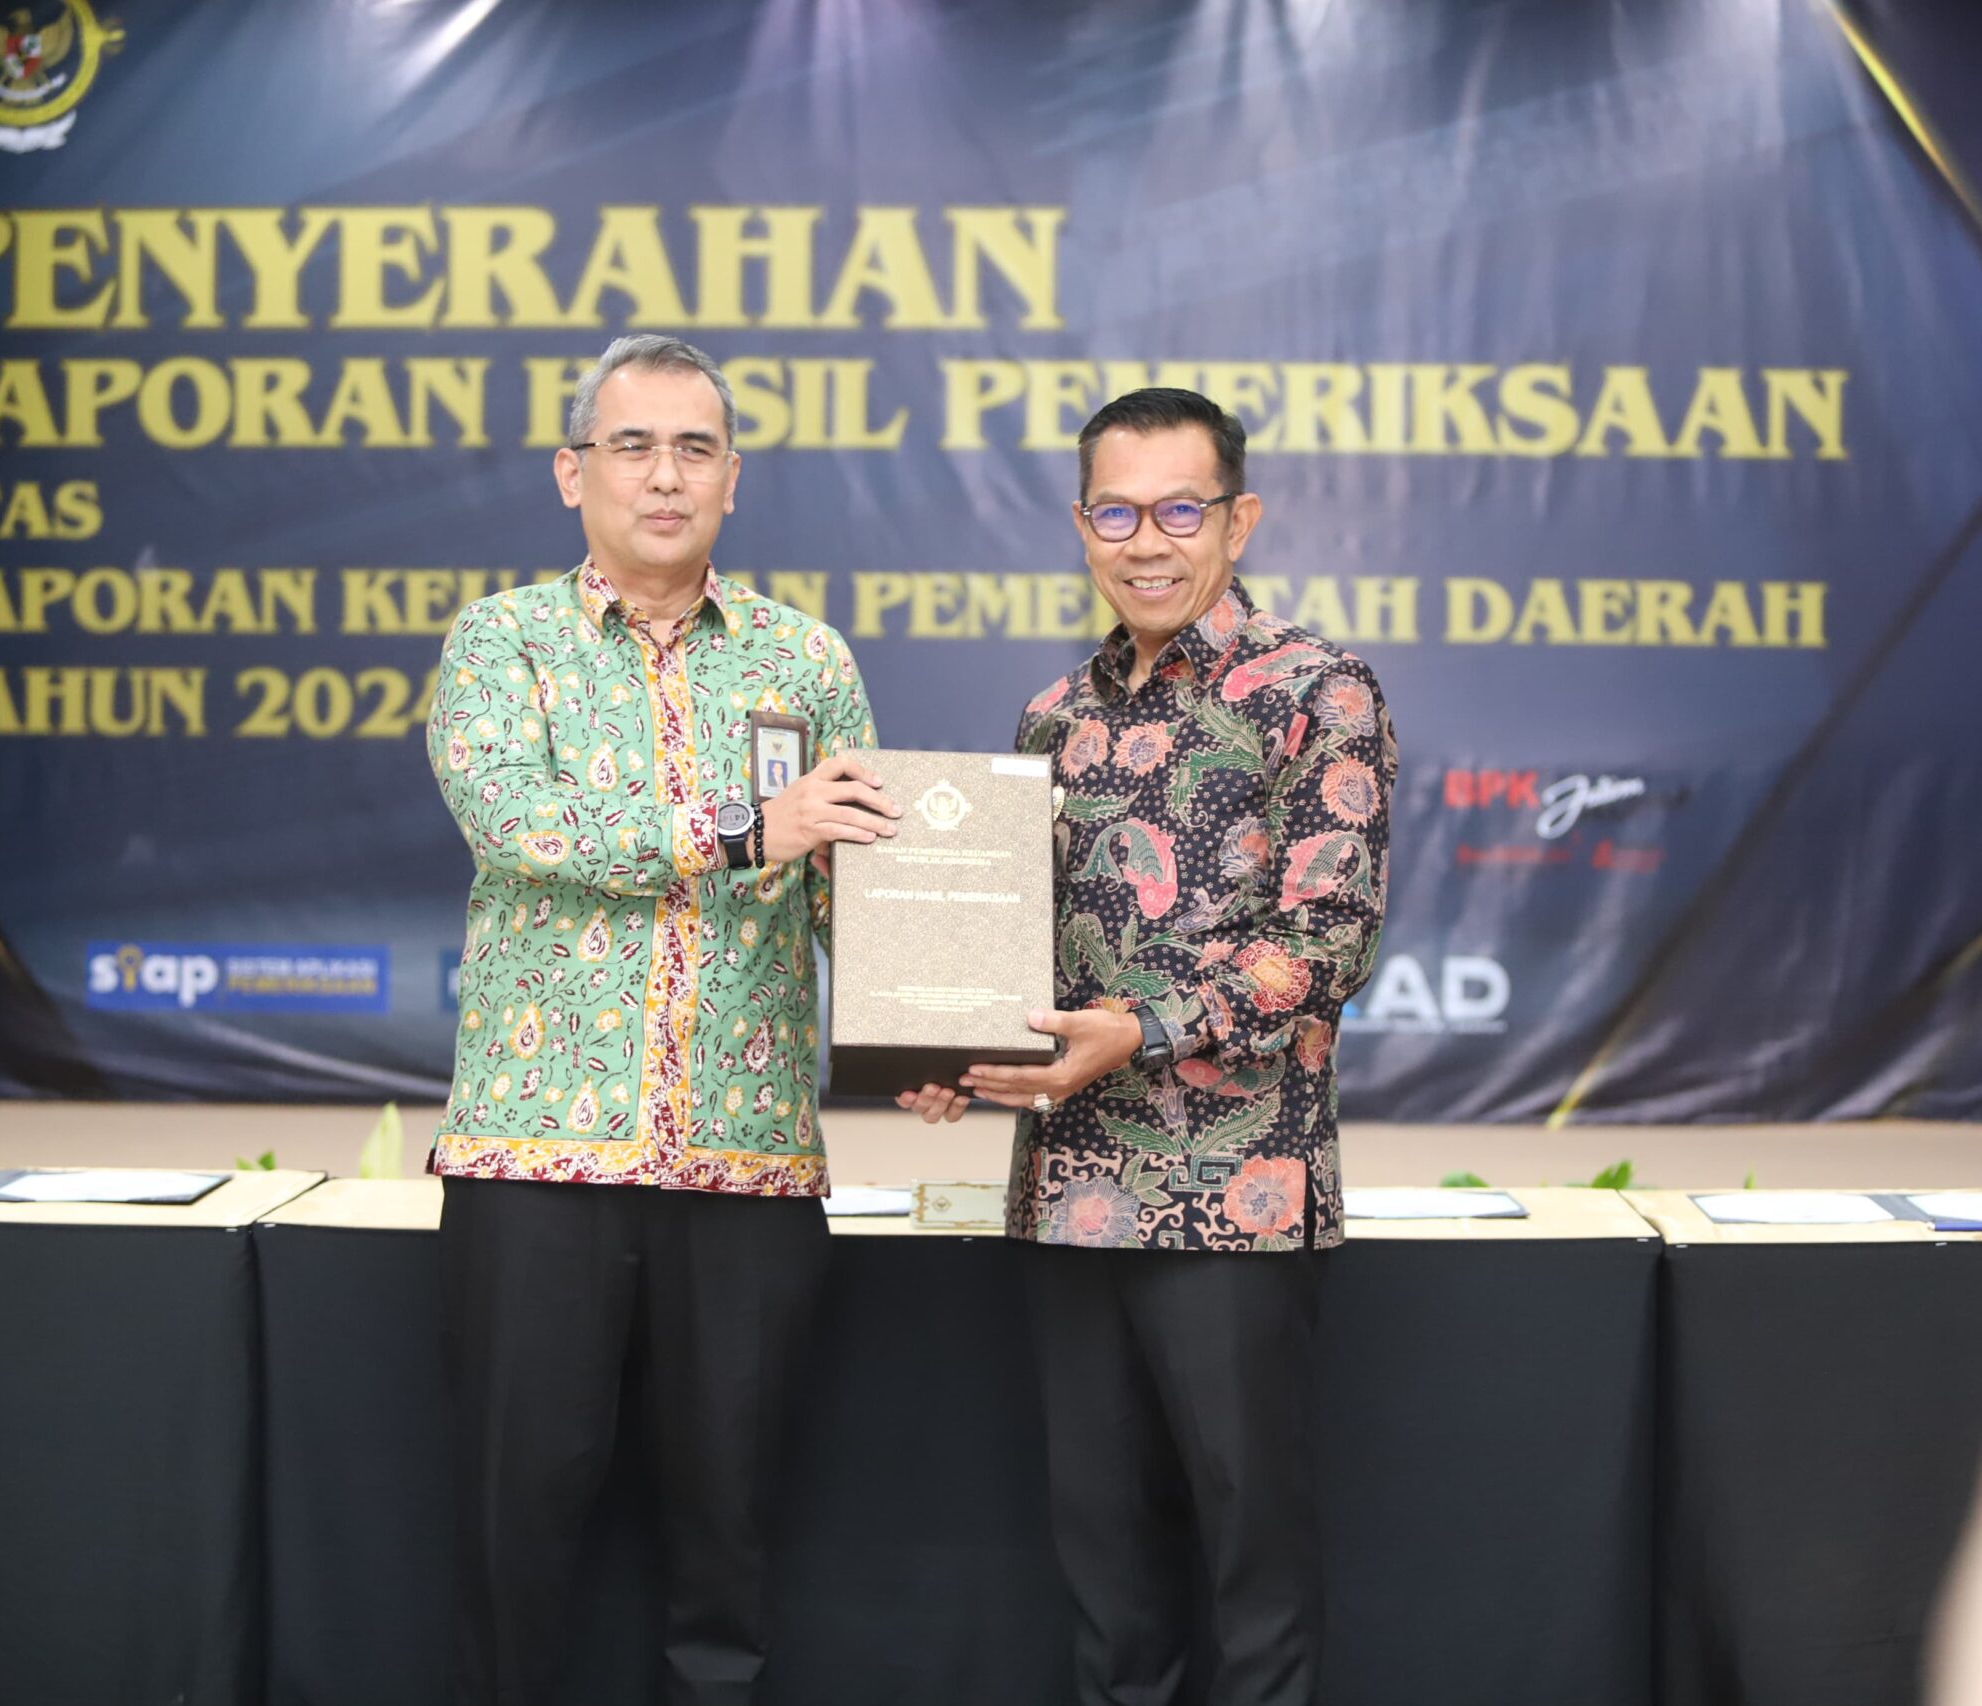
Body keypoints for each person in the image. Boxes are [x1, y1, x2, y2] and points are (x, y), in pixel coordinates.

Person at [902, 386, 1399, 1705]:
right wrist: (951, 1044)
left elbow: (1328, 938)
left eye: (1181, 510)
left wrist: (1139, 1030)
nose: (1149, 543)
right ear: (1082, 526)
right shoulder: (1051, 716)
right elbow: (1013, 949)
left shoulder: (1318, 689)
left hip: (1237, 1197)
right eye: (1117, 514)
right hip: (1070, 1195)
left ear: (1240, 519)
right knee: (1106, 1580)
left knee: (1253, 1569)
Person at [425, 333, 897, 1706]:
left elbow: (850, 881)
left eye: (696, 447)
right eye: (632, 445)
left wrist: (921, 1033)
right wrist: (749, 826)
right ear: (572, 472)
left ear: (734, 479)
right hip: (537, 1159)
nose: (666, 475)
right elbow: (522, 824)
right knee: (515, 1527)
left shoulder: (805, 660)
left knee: (729, 1542)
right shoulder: (502, 642)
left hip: (746, 1165)